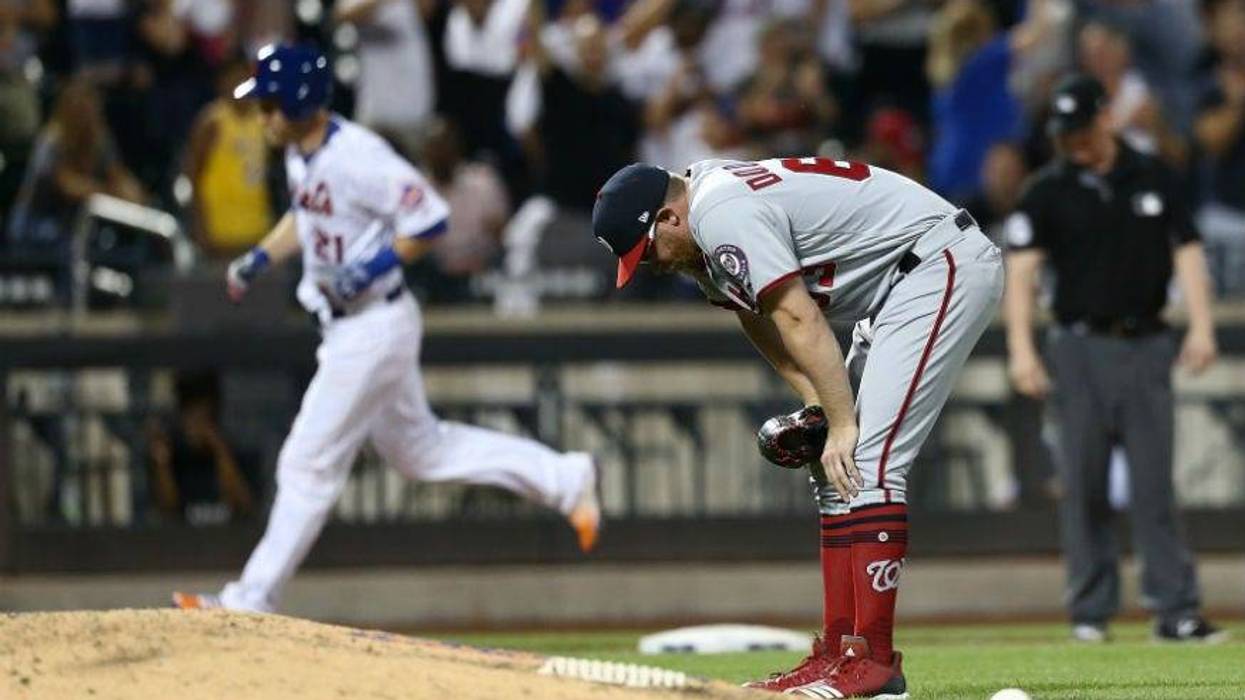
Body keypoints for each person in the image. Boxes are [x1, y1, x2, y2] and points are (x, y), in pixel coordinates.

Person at [172, 43, 600, 613]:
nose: (263, 115)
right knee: (422, 452)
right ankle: (565, 478)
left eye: (271, 104)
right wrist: (260, 258)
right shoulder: (302, 151)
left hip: (371, 326)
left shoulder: (359, 155)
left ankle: (251, 598)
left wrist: (369, 266)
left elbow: (430, 218)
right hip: (356, 325)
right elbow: (307, 214)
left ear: (301, 102)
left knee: (306, 461)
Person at [591, 156, 1004, 698]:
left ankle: (876, 665)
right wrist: (815, 403)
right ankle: (837, 654)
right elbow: (756, 316)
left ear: (668, 219)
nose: (652, 265)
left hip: (934, 263)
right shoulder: (703, 221)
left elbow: (798, 318)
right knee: (832, 471)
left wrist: (842, 421)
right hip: (895, 287)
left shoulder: (719, 212)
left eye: (647, 252)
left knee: (868, 463)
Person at [1003, 74, 1228, 644]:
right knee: (1084, 483)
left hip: (1148, 342)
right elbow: (1023, 273)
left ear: (1104, 117)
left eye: (1080, 128)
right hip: (1077, 347)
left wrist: (1201, 328)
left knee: (1155, 485)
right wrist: (1022, 349)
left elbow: (1189, 251)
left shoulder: (1154, 176)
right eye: (1065, 133)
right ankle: (1089, 612)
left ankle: (1175, 609)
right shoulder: (1047, 189)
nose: (1074, 142)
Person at [182, 58, 273, 258]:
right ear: (221, 82)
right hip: (220, 232)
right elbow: (191, 176)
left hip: (257, 229)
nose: (239, 83)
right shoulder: (212, 122)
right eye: (233, 78)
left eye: (244, 78)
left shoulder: (263, 119)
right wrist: (199, 229)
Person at [148, 371, 255, 525]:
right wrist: (162, 464)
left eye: (203, 416)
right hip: (183, 541)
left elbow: (244, 506)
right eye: (191, 416)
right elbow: (167, 510)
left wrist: (219, 448)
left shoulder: (233, 450)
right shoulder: (172, 454)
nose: (197, 425)